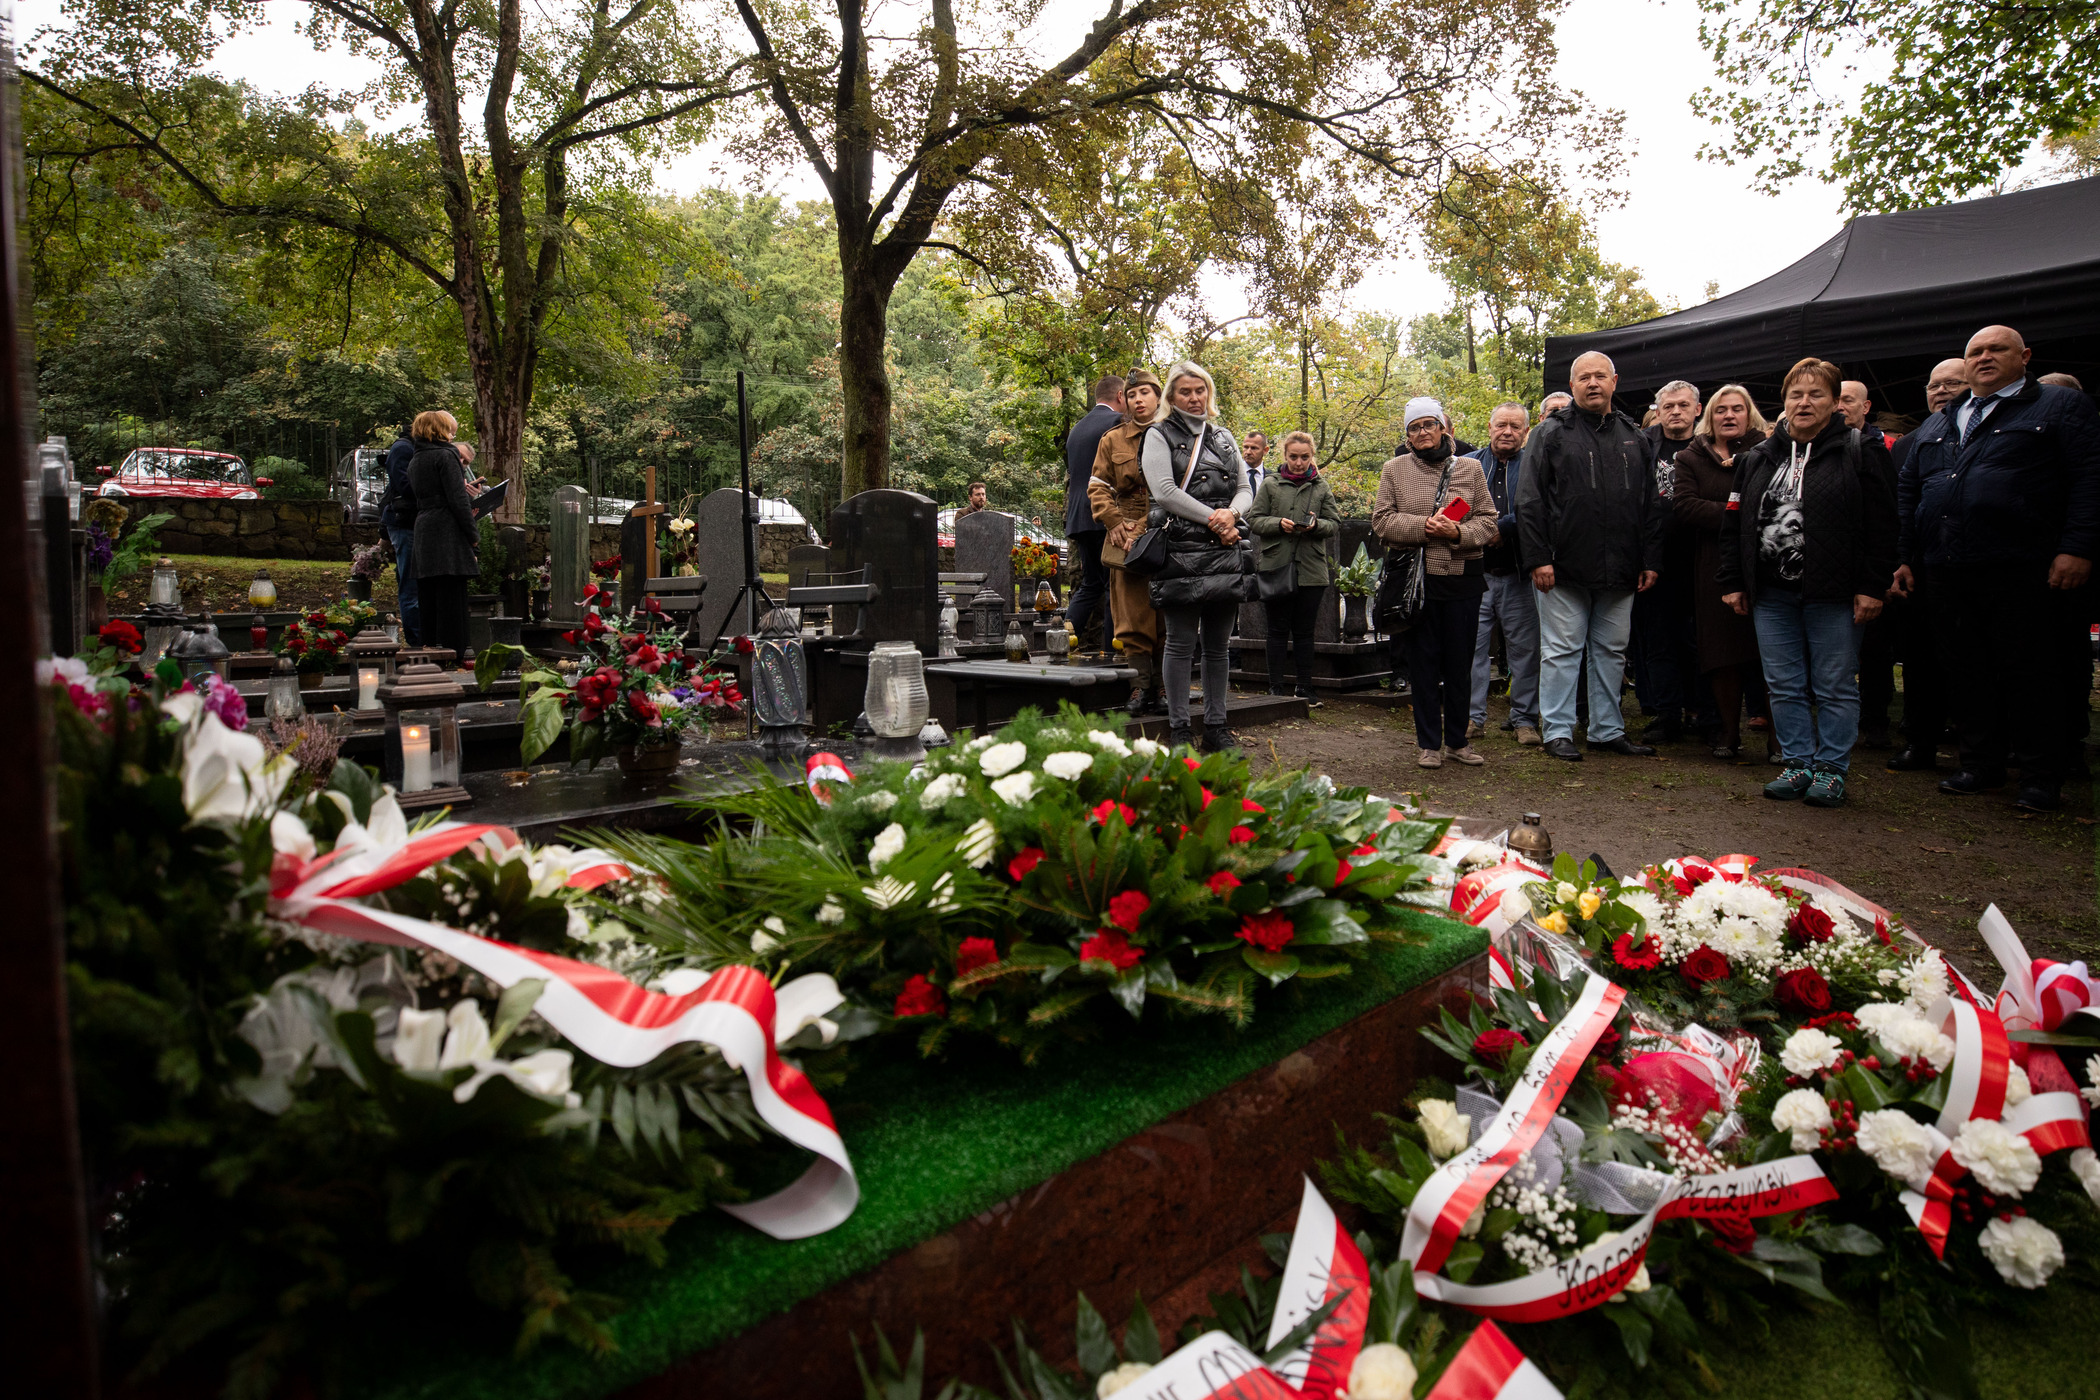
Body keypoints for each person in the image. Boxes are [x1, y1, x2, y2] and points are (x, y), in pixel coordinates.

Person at [1897, 324, 2100, 811]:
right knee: (1966, 669)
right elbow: (1910, 490)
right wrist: (1904, 555)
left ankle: (2039, 775)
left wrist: (2077, 547)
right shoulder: (1943, 420)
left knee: (2030, 670)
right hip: (1947, 565)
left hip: (2023, 565)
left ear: (2024, 356)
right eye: (1976, 352)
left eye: (1996, 349)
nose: (1984, 358)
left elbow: (2089, 479)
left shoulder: (2058, 406)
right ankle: (1979, 764)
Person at [1718, 357, 1897, 808]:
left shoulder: (1860, 450)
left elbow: (1884, 526)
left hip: (1834, 594)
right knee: (1783, 683)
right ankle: (1797, 763)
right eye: (1795, 394)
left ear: (1835, 402)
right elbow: (1734, 524)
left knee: (1835, 684)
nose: (1804, 402)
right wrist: (1734, 580)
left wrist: (1872, 585)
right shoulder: (1758, 457)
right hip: (1771, 594)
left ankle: (1831, 769)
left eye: (1816, 394)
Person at [1514, 352, 1667, 762]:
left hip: (1622, 565)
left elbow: (1650, 503)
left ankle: (1606, 730)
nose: (1593, 383)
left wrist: (1649, 559)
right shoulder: (1549, 433)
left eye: (1600, 376)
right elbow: (1529, 500)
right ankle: (1558, 731)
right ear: (1573, 384)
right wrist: (1538, 558)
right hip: (1562, 565)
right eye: (1584, 377)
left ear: (1615, 381)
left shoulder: (1634, 436)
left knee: (1611, 652)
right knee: (1562, 651)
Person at [1373, 399, 1498, 768]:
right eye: (1414, 427)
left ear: (1443, 428)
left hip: (1462, 580)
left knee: (1460, 664)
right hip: (1416, 583)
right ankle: (1429, 744)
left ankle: (1458, 741)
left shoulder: (1471, 468)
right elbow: (1382, 521)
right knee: (1423, 665)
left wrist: (1457, 532)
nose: (1422, 432)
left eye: (1429, 424)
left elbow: (1488, 520)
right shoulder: (1394, 469)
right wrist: (1424, 527)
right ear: (1408, 436)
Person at [1144, 361, 1253, 751]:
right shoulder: (1158, 434)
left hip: (1224, 549)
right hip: (1182, 551)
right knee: (1180, 643)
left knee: (1219, 645)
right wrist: (1216, 519)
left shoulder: (1223, 436)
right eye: (1185, 391)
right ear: (1171, 397)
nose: (1194, 398)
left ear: (1209, 393)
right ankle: (1179, 729)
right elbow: (1165, 492)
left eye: (1200, 390)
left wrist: (1232, 514)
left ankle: (1216, 727)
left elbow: (1245, 488)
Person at [1671, 385, 1771, 759]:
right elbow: (1685, 506)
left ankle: (1779, 738)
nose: (1729, 415)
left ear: (1750, 414)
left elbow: (1775, 502)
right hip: (1712, 565)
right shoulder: (1691, 457)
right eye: (1721, 410)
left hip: (1763, 563)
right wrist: (1739, 513)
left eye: (1737, 409)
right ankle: (1728, 733)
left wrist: (1725, 510)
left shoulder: (1768, 451)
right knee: (1721, 652)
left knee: (1769, 653)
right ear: (1709, 416)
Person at [1882, 358, 1969, 773]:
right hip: (1920, 567)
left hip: (1979, 565)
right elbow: (1897, 506)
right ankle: (1920, 741)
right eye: (1934, 386)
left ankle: (1979, 752)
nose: (1941, 391)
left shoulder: (1987, 432)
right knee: (1920, 659)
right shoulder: (1909, 443)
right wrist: (1900, 559)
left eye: (1952, 383)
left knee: (1974, 660)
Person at [1631, 380, 1705, 742]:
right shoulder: (1642, 446)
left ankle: (1700, 712)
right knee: (1658, 641)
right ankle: (1667, 714)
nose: (1676, 411)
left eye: (1683, 405)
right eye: (1669, 406)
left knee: (1697, 640)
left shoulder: (1709, 446)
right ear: (1658, 412)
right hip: (1654, 559)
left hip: (1700, 559)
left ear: (1697, 409)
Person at [1088, 368, 1166, 715]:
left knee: (1166, 615)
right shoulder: (1112, 439)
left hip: (1169, 529)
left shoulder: (1176, 435)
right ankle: (1140, 687)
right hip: (1126, 532)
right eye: (1132, 395)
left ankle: (1163, 687)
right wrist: (1113, 521)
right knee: (1132, 617)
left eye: (1145, 393)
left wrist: (1151, 525)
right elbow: (1097, 486)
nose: (1138, 400)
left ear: (1158, 397)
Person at [1466, 402, 1542, 746]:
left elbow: (1540, 509)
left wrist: (1504, 527)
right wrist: (1479, 530)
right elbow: (1454, 507)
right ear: (1490, 427)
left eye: (1515, 426)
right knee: (1472, 650)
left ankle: (1524, 719)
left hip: (1519, 573)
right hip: (1475, 573)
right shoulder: (1468, 464)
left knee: (1525, 652)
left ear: (1526, 431)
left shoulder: (1535, 465)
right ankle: (1472, 718)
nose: (1507, 432)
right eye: (1501, 425)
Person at [1247, 430, 1341, 705]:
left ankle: (1305, 688)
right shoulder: (1270, 484)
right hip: (1276, 565)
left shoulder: (1321, 487)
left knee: (1305, 632)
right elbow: (1254, 519)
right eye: (1293, 457)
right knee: (1276, 630)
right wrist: (1278, 523)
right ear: (1284, 456)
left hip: (1311, 569)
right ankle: (1276, 689)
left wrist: (1316, 526)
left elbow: (1334, 523)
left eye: (1304, 457)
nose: (1299, 463)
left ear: (1312, 456)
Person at [408, 410, 480, 657]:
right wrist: (473, 536)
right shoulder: (446, 456)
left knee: (428, 594)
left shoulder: (416, 458)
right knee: (452, 595)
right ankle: (455, 652)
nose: (452, 436)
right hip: (447, 529)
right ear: (439, 430)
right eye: (450, 431)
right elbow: (458, 500)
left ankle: (430, 647)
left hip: (424, 526)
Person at [1065, 376, 1125, 654]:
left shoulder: (1076, 429)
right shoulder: (1117, 423)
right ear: (1121, 396)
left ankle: (1063, 634)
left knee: (1091, 583)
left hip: (1079, 516)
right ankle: (1113, 650)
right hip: (1105, 513)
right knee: (1114, 584)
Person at [377, 422, 422, 644]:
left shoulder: (412, 448)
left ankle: (420, 636)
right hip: (404, 522)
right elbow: (405, 486)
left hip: (411, 521)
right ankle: (416, 640)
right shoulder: (403, 448)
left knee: (413, 582)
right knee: (410, 584)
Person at [1839, 381, 1899, 449]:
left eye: (1848, 400)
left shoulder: (1890, 446)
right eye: (1835, 402)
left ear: (1865, 407)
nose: (1839, 407)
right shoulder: (1828, 442)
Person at [1242, 431, 1270, 496]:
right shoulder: (1233, 475)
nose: (1248, 452)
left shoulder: (1271, 478)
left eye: (1254, 448)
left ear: (1265, 450)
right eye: (1246, 447)